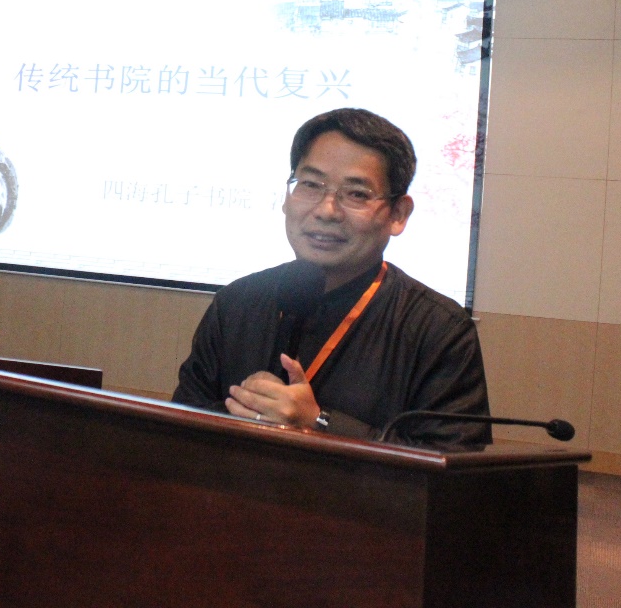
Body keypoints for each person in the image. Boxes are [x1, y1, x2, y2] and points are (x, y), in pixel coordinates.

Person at [172, 108, 491, 448]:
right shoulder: (237, 303)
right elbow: (178, 432)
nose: (326, 211)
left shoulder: (439, 329)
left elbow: (452, 462)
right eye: (310, 185)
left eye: (356, 194)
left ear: (398, 214)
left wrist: (319, 423)